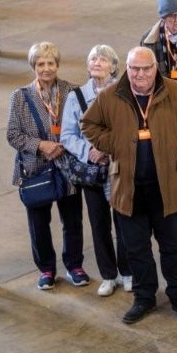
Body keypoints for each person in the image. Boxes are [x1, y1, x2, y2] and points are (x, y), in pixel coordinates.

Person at [81, 47, 177, 324]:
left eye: (146, 68)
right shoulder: (111, 95)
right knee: (136, 249)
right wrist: (112, 145)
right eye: (134, 68)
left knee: (172, 247)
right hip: (129, 189)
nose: (140, 74)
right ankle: (144, 297)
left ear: (155, 69)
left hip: (167, 187)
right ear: (127, 68)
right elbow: (88, 124)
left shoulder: (174, 92)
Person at [6, 42, 88, 291]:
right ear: (34, 67)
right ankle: (47, 270)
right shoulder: (20, 96)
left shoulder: (73, 91)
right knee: (38, 222)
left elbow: (84, 127)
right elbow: (13, 134)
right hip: (36, 168)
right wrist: (42, 145)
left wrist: (64, 145)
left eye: (51, 63)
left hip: (68, 167)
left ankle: (74, 265)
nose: (46, 68)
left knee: (72, 219)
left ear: (58, 65)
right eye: (41, 64)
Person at [60, 45, 132, 297]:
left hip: (120, 168)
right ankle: (109, 275)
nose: (97, 62)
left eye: (103, 59)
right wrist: (88, 152)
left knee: (124, 221)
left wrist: (108, 149)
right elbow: (67, 135)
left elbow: (131, 128)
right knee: (99, 223)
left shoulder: (125, 93)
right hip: (93, 171)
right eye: (93, 58)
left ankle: (128, 272)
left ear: (114, 66)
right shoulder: (76, 97)